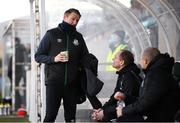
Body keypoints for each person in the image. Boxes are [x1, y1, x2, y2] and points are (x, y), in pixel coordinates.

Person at [35, 8, 89, 122]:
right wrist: (54, 58)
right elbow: (38, 56)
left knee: (71, 118)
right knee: (50, 116)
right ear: (65, 17)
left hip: (72, 84)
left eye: (77, 20)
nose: (75, 22)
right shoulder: (51, 34)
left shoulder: (78, 37)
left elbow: (85, 57)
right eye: (73, 19)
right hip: (54, 83)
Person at [116, 47, 180, 122]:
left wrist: (123, 111)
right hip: (157, 116)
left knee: (122, 119)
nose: (140, 62)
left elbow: (145, 104)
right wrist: (125, 97)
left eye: (141, 60)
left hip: (158, 119)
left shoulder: (156, 75)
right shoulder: (159, 72)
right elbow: (145, 99)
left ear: (145, 61)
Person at [92, 50, 141, 121]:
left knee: (103, 117)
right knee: (99, 117)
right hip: (123, 110)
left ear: (122, 62)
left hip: (132, 114)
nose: (112, 59)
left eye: (115, 57)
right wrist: (103, 109)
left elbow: (127, 103)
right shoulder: (123, 74)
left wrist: (104, 112)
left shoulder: (129, 77)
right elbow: (114, 97)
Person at [7, 37, 26, 110]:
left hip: (16, 73)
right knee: (15, 89)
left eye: (12, 41)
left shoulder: (18, 49)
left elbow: (17, 62)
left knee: (15, 89)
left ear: (16, 41)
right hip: (15, 73)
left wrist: (12, 72)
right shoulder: (17, 49)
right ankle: (17, 105)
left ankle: (17, 105)